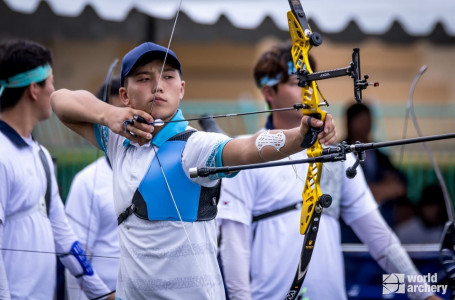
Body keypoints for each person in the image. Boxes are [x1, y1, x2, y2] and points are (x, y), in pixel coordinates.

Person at [49, 41, 337, 299]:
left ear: (182, 89)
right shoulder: (117, 141)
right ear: (124, 94)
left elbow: (246, 148)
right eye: (143, 78)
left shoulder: (195, 146)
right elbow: (59, 100)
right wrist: (109, 115)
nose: (157, 86)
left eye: (168, 77)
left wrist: (299, 137)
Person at [216, 41, 441, 300]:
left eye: (310, 80)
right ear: (269, 92)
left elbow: (379, 236)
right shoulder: (247, 152)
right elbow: (235, 243)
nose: (307, 89)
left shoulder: (336, 155)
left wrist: (423, 294)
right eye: (295, 82)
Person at [0, 39, 114, 299]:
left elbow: (64, 237)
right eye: (51, 81)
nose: (54, 90)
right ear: (33, 89)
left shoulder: (39, 154)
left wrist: (103, 294)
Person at [64, 76, 122, 299]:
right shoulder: (87, 181)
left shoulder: (153, 173)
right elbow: (76, 256)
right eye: (116, 115)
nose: (125, 122)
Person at [344, 102, 408, 229]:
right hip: (351, 228)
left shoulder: (381, 156)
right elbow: (350, 192)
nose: (366, 125)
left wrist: (371, 190)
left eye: (368, 120)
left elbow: (400, 187)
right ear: (350, 122)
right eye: (360, 120)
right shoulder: (341, 153)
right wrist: (384, 189)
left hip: (381, 223)